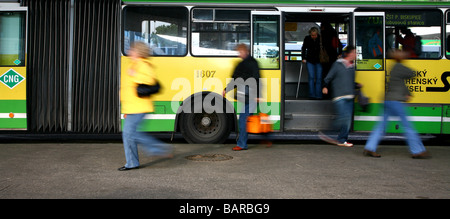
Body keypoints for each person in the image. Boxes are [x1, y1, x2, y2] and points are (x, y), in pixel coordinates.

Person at [364, 50, 430, 159]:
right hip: (395, 102)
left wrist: (408, 93)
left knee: (381, 126)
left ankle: (370, 147)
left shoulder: (393, 67)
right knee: (408, 126)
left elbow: (400, 84)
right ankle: (417, 150)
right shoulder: (399, 67)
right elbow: (412, 73)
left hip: (387, 100)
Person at [119, 42, 172, 171]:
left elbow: (150, 80)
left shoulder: (143, 65)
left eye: (132, 50)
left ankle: (158, 148)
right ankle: (132, 162)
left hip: (139, 106)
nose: (130, 52)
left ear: (138, 52)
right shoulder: (134, 64)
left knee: (130, 134)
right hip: (132, 106)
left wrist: (134, 75)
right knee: (129, 135)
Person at [223, 44, 260, 151]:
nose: (239, 54)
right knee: (247, 119)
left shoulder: (251, 63)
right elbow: (237, 79)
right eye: (238, 52)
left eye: (240, 52)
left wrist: (257, 95)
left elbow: (257, 79)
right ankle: (266, 138)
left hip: (251, 96)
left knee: (244, 119)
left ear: (246, 51)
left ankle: (242, 144)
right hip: (248, 96)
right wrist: (226, 89)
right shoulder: (245, 63)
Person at [320, 45, 358, 147]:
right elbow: (329, 76)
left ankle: (342, 140)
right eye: (355, 52)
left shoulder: (352, 67)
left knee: (347, 120)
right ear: (350, 53)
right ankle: (328, 134)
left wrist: (357, 85)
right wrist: (325, 86)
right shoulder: (338, 64)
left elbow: (351, 81)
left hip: (349, 96)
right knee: (343, 118)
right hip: (339, 96)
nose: (356, 55)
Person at [302, 27, 323, 99]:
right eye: (312, 35)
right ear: (310, 34)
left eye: (315, 35)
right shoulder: (307, 38)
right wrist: (303, 58)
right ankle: (312, 95)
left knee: (319, 78)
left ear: (317, 34)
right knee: (311, 77)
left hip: (319, 60)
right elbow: (304, 48)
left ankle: (318, 95)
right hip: (310, 60)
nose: (313, 36)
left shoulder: (321, 38)